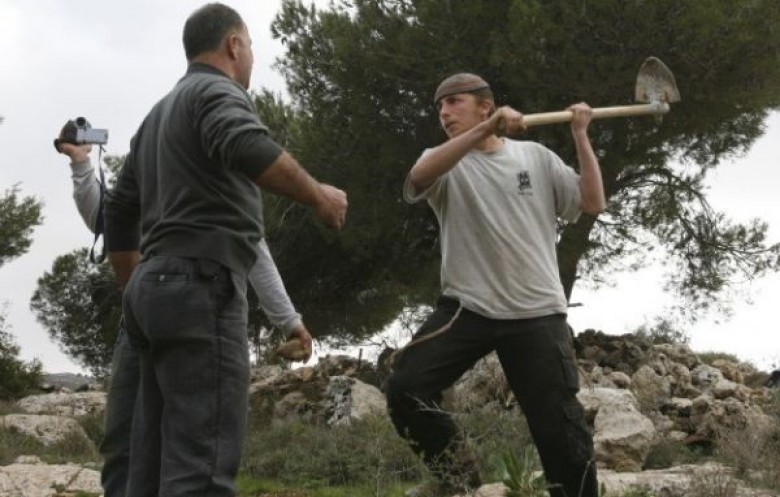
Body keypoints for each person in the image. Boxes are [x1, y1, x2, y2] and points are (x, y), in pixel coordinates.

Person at [102, 3, 348, 496]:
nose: (252, 56)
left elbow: (119, 210)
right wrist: (318, 196)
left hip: (153, 293)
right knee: (202, 469)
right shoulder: (215, 91)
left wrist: (137, 286)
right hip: (201, 286)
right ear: (234, 45)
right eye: (250, 45)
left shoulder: (155, 117)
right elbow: (245, 144)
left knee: (148, 469)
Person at [384, 73, 605, 497]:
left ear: (485, 104)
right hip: (468, 308)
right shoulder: (444, 162)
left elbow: (592, 202)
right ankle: (459, 479)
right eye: (439, 106)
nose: (444, 113)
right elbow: (418, 177)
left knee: (560, 428)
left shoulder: (535, 157)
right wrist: (486, 128)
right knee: (405, 387)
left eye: (455, 102)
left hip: (536, 311)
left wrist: (581, 134)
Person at [55, 140, 313, 497]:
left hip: (205, 317)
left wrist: (289, 321)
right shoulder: (150, 185)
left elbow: (256, 252)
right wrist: (81, 163)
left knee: (194, 448)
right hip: (139, 324)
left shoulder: (221, 189)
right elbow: (105, 217)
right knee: (123, 444)